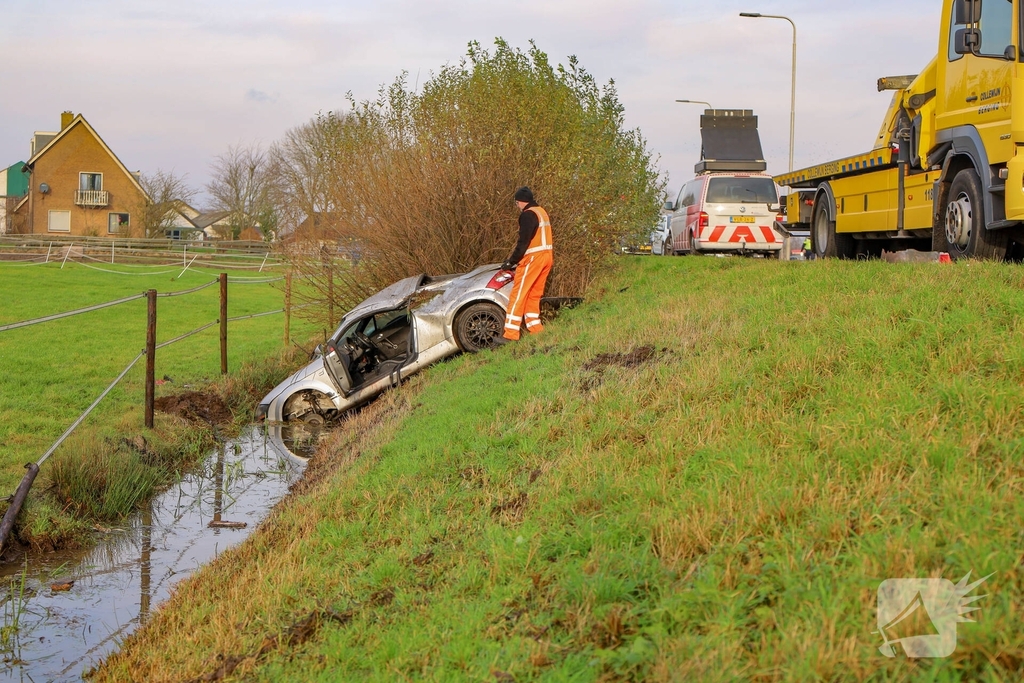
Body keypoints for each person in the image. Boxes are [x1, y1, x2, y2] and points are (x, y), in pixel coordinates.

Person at [500, 186, 553, 341]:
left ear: (520, 202)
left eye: (517, 204)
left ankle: (510, 334)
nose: (517, 207)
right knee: (534, 294)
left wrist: (512, 261)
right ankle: (535, 328)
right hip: (547, 257)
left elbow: (523, 242)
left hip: (532, 258)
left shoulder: (527, 215)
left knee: (518, 294)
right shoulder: (541, 212)